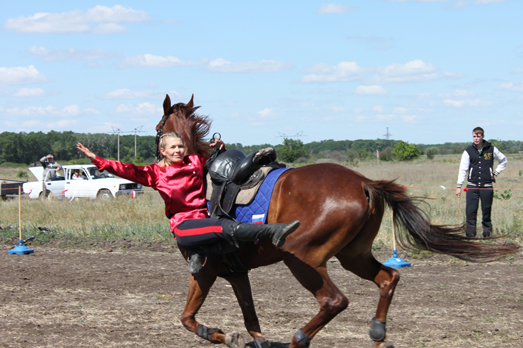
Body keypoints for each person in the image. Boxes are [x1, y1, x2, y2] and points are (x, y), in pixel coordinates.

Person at [76, 132, 300, 272]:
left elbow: (213, 159)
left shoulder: (194, 161)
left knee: (221, 225)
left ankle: (201, 252)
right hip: (183, 225)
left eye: (180, 146)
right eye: (173, 148)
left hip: (203, 218)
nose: (178, 150)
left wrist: (218, 147)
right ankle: (271, 232)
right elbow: (126, 170)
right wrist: (97, 160)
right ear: (162, 151)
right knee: (222, 226)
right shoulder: (154, 173)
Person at [455, 127, 507, 237]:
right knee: (470, 211)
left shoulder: (491, 149)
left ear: (482, 136)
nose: (476, 138)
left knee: (486, 210)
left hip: (487, 186)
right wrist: (459, 186)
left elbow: (503, 160)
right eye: (474, 136)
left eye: (478, 136)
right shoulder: (468, 151)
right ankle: (470, 234)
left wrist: (495, 173)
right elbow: (463, 169)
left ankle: (487, 233)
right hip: (472, 186)